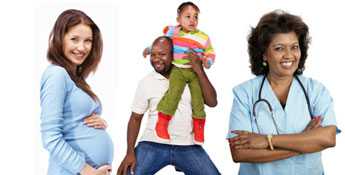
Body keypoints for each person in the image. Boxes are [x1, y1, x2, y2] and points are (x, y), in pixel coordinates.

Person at [227, 10, 341, 175]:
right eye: (279, 48)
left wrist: (267, 141)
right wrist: (305, 143)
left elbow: (328, 139)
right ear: (264, 54)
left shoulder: (316, 90)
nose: (289, 55)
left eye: (294, 47)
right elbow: (239, 153)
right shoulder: (245, 93)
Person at [117, 36, 220, 175]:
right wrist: (129, 153)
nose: (156, 59)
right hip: (153, 143)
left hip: (187, 145)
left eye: (162, 54)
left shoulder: (191, 76)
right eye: (153, 55)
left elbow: (212, 102)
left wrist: (199, 70)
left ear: (173, 55)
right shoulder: (146, 82)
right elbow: (135, 118)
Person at [40, 9, 113, 175]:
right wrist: (89, 171)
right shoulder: (56, 74)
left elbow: (75, 121)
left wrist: (101, 123)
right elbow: (50, 138)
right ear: (60, 41)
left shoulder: (75, 77)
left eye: (88, 41)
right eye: (74, 39)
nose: (82, 47)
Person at [142, 1, 216, 144]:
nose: (192, 20)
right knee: (173, 93)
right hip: (178, 70)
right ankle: (162, 123)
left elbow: (210, 53)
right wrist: (149, 49)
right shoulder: (173, 31)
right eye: (188, 16)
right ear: (179, 20)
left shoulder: (203, 37)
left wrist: (208, 62)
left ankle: (199, 126)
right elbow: (161, 43)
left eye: (195, 17)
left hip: (194, 71)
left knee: (197, 99)